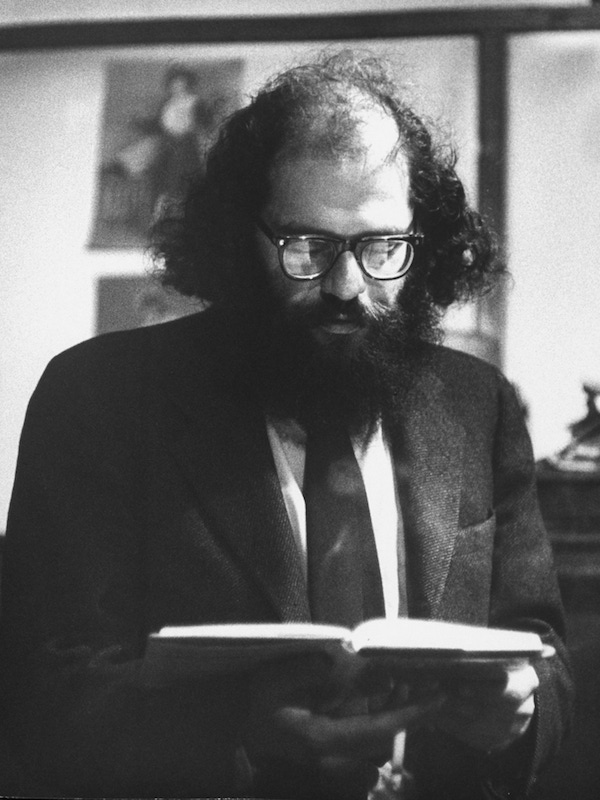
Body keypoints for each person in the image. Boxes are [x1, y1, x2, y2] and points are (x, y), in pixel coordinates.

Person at [0, 51, 573, 799]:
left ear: (420, 245)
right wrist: (238, 737)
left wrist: (523, 715)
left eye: (381, 249)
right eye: (306, 246)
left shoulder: (478, 405)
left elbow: (549, 659)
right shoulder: (100, 397)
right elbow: (45, 693)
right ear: (241, 236)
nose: (346, 286)